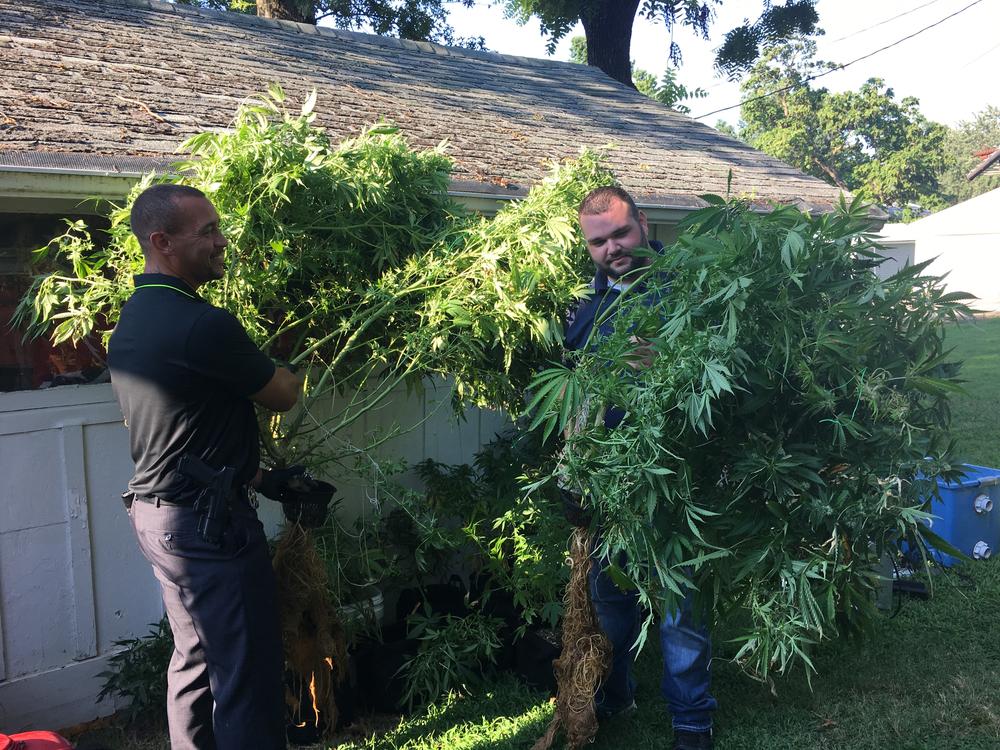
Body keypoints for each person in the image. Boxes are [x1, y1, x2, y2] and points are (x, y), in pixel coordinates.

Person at [107, 184, 304, 750]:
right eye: (208, 233)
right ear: (162, 242)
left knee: (195, 658)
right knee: (246, 675)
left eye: (219, 227)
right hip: (207, 528)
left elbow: (179, 427)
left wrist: (259, 478)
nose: (222, 242)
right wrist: (286, 358)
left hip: (160, 515)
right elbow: (282, 394)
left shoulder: (136, 317)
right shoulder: (201, 324)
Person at [563, 186, 717, 750]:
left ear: (643, 224)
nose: (613, 249)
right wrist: (573, 475)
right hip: (609, 483)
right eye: (598, 242)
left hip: (676, 480)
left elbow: (719, 379)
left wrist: (671, 363)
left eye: (621, 234)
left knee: (680, 611)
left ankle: (692, 724)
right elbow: (576, 398)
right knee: (611, 601)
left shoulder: (689, 292)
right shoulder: (585, 309)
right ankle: (617, 692)